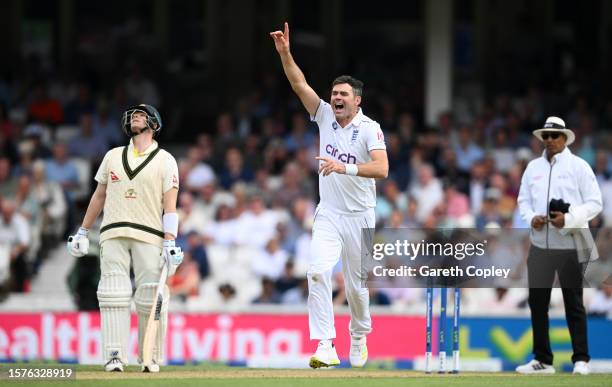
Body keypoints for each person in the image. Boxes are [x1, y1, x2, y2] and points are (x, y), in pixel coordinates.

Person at [270, 22, 388, 369]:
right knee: (318, 273)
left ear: (357, 101)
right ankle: (325, 343)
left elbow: (381, 169)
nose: (336, 98)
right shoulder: (323, 115)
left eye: (343, 95)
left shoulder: (370, 129)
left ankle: (359, 333)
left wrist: (344, 167)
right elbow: (298, 83)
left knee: (356, 289)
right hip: (330, 213)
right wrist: (285, 54)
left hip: (362, 215)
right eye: (334, 94)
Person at [66, 104, 183, 373]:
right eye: (133, 115)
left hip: (150, 233)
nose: (135, 118)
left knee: (150, 296)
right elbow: (99, 195)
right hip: (112, 231)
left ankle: (149, 356)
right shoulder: (113, 156)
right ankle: (114, 356)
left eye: (141, 115)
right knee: (113, 294)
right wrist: (83, 230)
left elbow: (171, 205)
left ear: (154, 124)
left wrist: (170, 241)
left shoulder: (166, 160)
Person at [516, 116, 602, 375]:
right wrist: (533, 218)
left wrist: (569, 219)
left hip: (571, 243)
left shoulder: (579, 166)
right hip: (540, 244)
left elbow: (595, 203)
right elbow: (523, 201)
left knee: (573, 301)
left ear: (565, 138)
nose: (550, 140)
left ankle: (581, 360)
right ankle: (542, 360)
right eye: (546, 136)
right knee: (538, 302)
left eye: (555, 136)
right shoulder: (532, 168)